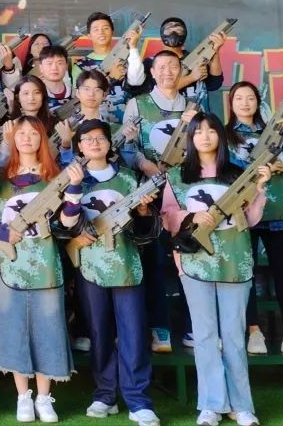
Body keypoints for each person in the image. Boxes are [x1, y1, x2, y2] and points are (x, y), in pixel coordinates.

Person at [161, 113, 271, 426]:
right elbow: (167, 217)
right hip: (195, 263)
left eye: (211, 131)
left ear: (221, 137)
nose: (205, 136)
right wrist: (191, 217)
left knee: (234, 335)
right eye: (198, 131)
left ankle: (241, 405)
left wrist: (260, 187)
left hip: (235, 261)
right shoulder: (178, 176)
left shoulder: (238, 174)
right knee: (205, 335)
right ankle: (211, 404)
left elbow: (251, 219)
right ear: (190, 138)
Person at [0, 115, 82, 423]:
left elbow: (68, 222)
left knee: (48, 327)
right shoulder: (1, 176)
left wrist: (75, 187)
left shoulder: (55, 176)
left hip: (47, 262)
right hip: (12, 264)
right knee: (14, 327)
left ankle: (44, 397)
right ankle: (23, 396)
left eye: (33, 133)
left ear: (42, 139)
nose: (26, 138)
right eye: (20, 133)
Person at [66, 120, 162, 426]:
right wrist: (76, 235)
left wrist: (144, 212)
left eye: (100, 138)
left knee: (133, 332)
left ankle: (138, 399)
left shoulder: (129, 180)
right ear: (79, 146)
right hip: (90, 267)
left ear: (110, 143)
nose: (94, 143)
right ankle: (105, 393)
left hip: (127, 265)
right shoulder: (73, 181)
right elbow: (60, 224)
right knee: (99, 332)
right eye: (87, 139)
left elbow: (146, 234)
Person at [225, 81, 283, 358]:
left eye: (250, 98)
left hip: (278, 210)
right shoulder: (225, 135)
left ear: (258, 102)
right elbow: (226, 169)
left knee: (282, 273)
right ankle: (254, 332)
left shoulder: (276, 129)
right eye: (239, 98)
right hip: (244, 211)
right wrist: (256, 168)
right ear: (231, 103)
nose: (245, 103)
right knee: (247, 272)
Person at [123, 50, 198, 353]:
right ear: (152, 72)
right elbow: (127, 146)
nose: (168, 71)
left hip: (186, 194)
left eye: (173, 66)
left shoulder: (192, 107)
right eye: (161, 66)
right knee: (154, 260)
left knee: (190, 256)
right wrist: (144, 164)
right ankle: (160, 328)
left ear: (181, 71)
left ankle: (195, 327)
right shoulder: (137, 104)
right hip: (149, 193)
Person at [128, 18, 226, 110]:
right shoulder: (151, 62)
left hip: (197, 119)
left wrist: (215, 50)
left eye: (178, 29)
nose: (173, 33)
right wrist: (191, 77)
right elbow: (154, 93)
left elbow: (215, 84)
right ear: (162, 34)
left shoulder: (197, 58)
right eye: (169, 29)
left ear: (185, 34)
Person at [74, 12, 146, 122]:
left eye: (106, 28)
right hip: (96, 124)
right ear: (89, 35)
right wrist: (111, 78)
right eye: (96, 29)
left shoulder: (130, 58)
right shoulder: (80, 66)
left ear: (112, 32)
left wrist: (133, 47)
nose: (101, 32)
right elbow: (79, 100)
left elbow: (136, 82)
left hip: (127, 122)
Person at [37, 45, 74, 116]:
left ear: (66, 66)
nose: (54, 68)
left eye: (59, 63)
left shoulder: (77, 93)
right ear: (41, 68)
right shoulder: (35, 93)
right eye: (49, 63)